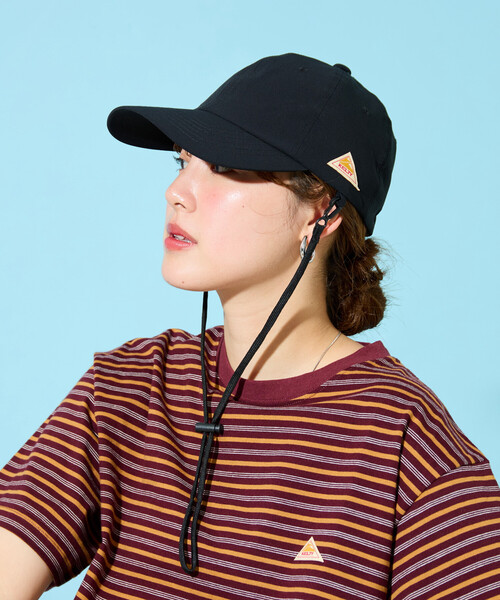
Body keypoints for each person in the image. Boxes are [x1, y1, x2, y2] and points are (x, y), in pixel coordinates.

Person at [0, 53, 499, 600]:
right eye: (183, 161)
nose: (178, 191)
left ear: (323, 212)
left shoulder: (409, 444)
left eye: (226, 166)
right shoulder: (129, 388)